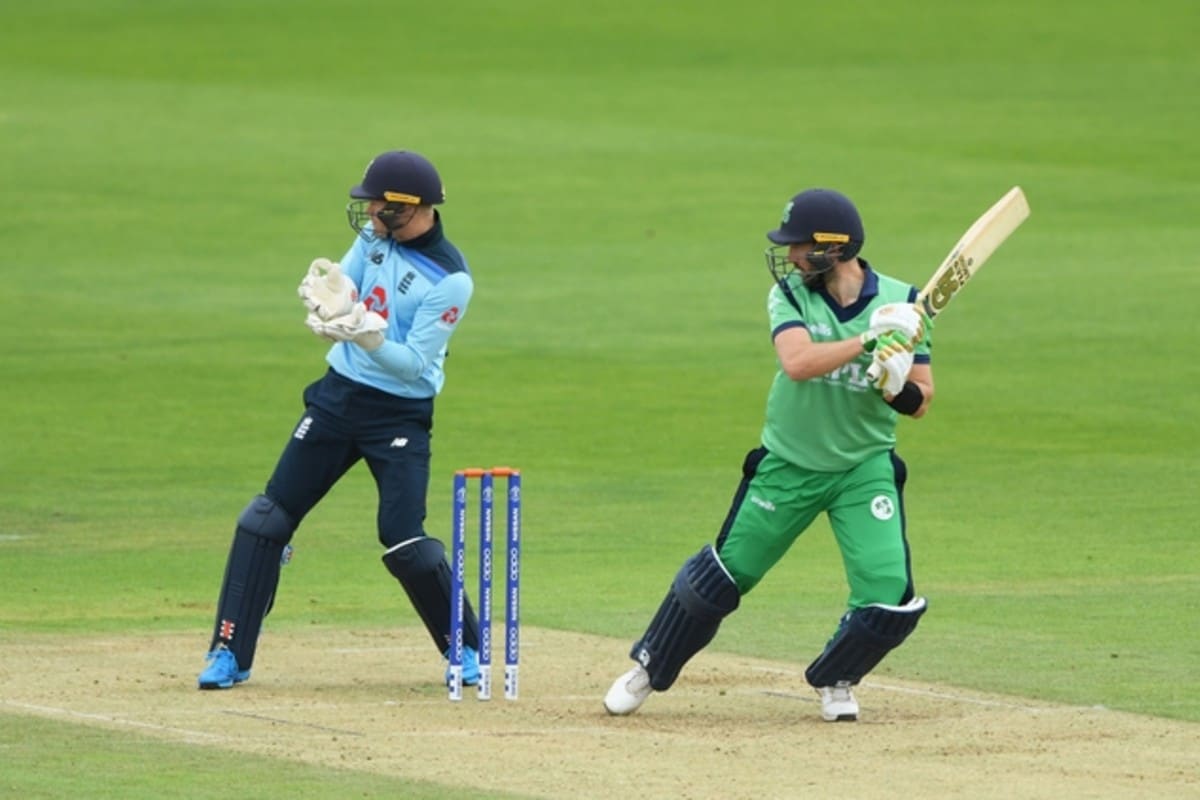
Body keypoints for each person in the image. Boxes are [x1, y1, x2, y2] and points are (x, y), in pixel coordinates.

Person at [603, 188, 935, 722]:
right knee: (724, 577)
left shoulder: (905, 301)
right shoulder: (792, 296)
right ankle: (648, 666)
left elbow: (920, 401)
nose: (793, 256)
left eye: (801, 246)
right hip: (789, 464)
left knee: (889, 593)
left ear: (835, 248)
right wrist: (869, 342)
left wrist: (892, 384)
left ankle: (837, 679)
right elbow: (799, 361)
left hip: (862, 468)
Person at [197, 150, 483, 690]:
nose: (370, 212)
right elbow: (347, 288)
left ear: (412, 207)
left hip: (398, 413)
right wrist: (332, 304)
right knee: (265, 521)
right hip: (337, 398)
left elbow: (414, 365)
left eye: (380, 204)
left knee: (401, 537)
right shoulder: (374, 238)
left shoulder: (450, 280)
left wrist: (367, 335)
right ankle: (229, 655)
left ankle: (466, 647)